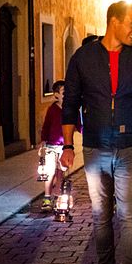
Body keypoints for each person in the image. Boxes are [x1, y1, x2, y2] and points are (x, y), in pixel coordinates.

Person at [60, 0, 132, 264]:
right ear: (114, 21)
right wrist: (66, 146)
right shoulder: (83, 58)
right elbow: (70, 103)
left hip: (130, 145)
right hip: (95, 147)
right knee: (101, 215)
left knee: (129, 216)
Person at [38, 80, 80, 211]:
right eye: (63, 92)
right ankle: (47, 197)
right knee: (50, 171)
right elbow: (46, 126)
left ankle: (59, 195)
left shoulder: (72, 110)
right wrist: (43, 140)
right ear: (56, 95)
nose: (66, 95)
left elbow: (79, 125)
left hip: (64, 147)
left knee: (61, 172)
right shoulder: (52, 109)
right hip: (51, 145)